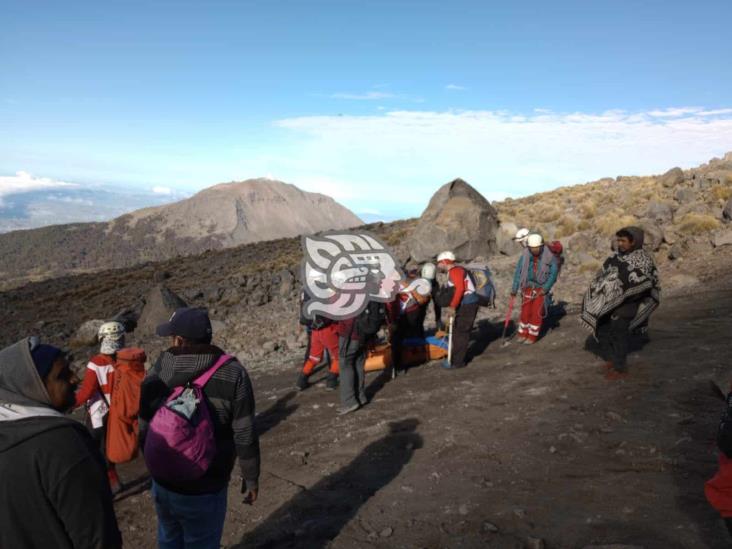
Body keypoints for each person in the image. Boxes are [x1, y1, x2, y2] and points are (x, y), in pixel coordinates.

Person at [139, 307, 260, 549]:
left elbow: (144, 425)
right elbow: (244, 431)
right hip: (207, 484)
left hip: (163, 482)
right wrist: (251, 476)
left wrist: (155, 463)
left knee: (169, 538)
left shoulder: (159, 370)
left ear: (179, 340)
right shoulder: (233, 373)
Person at [0, 337, 122, 549]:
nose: (75, 379)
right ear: (32, 386)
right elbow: (97, 537)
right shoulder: (61, 442)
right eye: (62, 375)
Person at [580, 227, 660, 380]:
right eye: (618, 240)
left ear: (634, 242)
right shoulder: (615, 257)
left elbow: (645, 284)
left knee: (619, 335)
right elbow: (602, 275)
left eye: (623, 241)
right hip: (608, 303)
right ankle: (612, 359)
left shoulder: (643, 260)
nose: (620, 244)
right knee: (603, 330)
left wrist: (620, 296)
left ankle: (620, 368)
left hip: (627, 305)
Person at [74, 320, 126, 493]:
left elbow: (87, 391)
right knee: (108, 446)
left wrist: (68, 403)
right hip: (119, 411)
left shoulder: (96, 363)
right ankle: (113, 479)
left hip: (99, 414)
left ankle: (107, 483)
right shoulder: (125, 360)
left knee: (94, 448)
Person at [510, 234, 559, 344]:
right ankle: (522, 334)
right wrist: (514, 288)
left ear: (541, 246)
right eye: (532, 248)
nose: (534, 250)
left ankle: (532, 336)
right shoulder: (525, 256)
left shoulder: (549, 257)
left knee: (536, 312)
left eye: (536, 248)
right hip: (527, 286)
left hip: (540, 289)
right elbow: (519, 272)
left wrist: (545, 289)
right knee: (525, 311)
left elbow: (553, 274)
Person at [436, 251, 480, 369]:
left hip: (468, 305)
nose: (438, 266)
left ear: (444, 262)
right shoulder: (456, 270)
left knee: (461, 332)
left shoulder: (455, 271)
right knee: (457, 331)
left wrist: (452, 306)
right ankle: (456, 358)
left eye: (439, 263)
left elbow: (460, 289)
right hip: (466, 303)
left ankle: (458, 362)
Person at [391, 268, 433, 375]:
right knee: (400, 338)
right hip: (401, 313)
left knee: (404, 337)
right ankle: (403, 363)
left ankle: (408, 360)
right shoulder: (392, 284)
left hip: (410, 312)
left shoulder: (412, 282)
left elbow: (422, 299)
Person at [296, 291, 339, 391]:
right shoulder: (327, 290)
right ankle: (331, 380)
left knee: (313, 357)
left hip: (315, 330)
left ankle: (302, 380)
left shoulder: (306, 291)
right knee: (340, 356)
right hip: (328, 329)